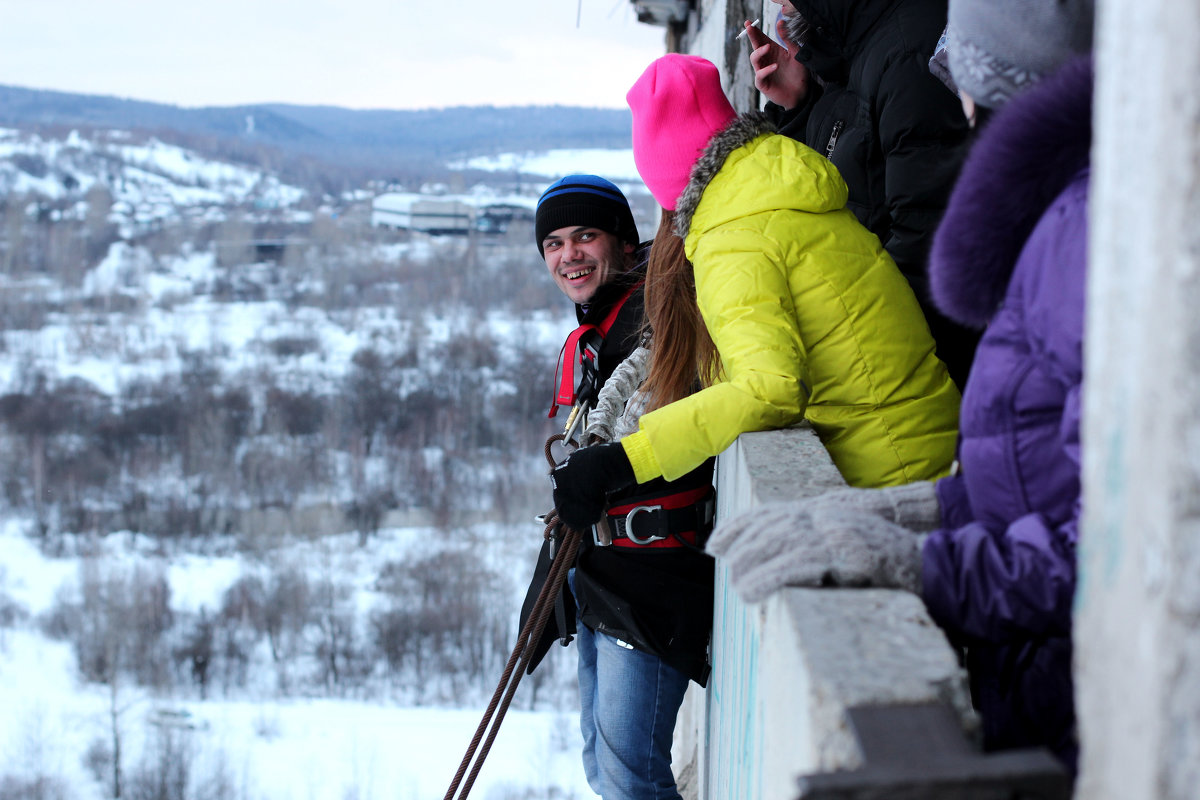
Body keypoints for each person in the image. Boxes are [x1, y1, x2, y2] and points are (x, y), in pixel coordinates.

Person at [710, 0, 1095, 773]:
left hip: (1088, 704)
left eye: (955, 63)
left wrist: (927, 562)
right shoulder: (1055, 223)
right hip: (1039, 677)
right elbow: (1038, 481)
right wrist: (918, 511)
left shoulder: (1084, 235)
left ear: (982, 85)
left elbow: (1122, 545)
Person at [550, 54, 960, 561]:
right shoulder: (772, 192)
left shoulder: (733, 239)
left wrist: (627, 458)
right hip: (922, 449)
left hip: (891, 475)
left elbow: (770, 388)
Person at [525, 174, 717, 800]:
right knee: (604, 768)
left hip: (654, 575)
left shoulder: (656, 318)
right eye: (553, 243)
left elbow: (651, 433)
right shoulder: (603, 336)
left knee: (631, 777)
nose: (569, 255)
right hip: (610, 571)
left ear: (627, 245)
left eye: (586, 236)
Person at [743, 0, 980, 389]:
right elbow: (844, 187)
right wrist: (799, 104)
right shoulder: (849, 53)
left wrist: (841, 348)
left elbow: (927, 242)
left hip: (918, 376)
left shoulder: (906, 56)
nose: (775, 3)